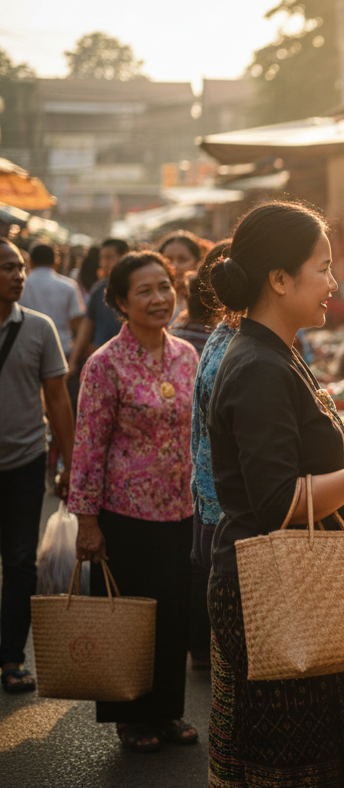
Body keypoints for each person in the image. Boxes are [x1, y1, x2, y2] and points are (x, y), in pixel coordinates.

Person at [207, 202, 344, 788]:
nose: (334, 284)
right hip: (273, 590)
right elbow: (279, 501)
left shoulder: (276, 351)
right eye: (324, 268)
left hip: (292, 582)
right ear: (279, 279)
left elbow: (297, 464)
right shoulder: (258, 365)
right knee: (292, 767)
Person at [70, 250, 199, 751]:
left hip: (180, 510)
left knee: (172, 615)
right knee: (129, 617)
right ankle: (131, 716)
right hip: (124, 514)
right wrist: (87, 521)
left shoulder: (186, 355)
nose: (159, 298)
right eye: (144, 291)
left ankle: (167, 711)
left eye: (164, 286)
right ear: (121, 302)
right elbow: (88, 447)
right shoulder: (105, 364)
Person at [0, 236, 75, 695]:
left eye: (20, 267)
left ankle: (11, 657)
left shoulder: (39, 328)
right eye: (7, 267)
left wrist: (70, 464)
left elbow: (58, 399)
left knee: (20, 560)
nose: (18, 275)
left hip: (25, 461)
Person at [183, 238, 233, 671]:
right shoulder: (240, 352)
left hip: (214, 513)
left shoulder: (226, 338)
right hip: (230, 524)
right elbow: (273, 484)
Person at [68, 237, 130, 378]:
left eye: (108, 257)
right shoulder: (99, 289)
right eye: (102, 258)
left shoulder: (134, 288)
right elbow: (86, 326)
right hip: (101, 360)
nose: (103, 263)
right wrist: (73, 362)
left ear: (125, 256)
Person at [19, 239, 85, 356]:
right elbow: (77, 324)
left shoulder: (20, 285)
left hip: (26, 347)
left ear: (30, 262)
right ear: (55, 263)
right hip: (61, 348)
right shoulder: (69, 286)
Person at [159, 231, 205, 324]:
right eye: (168, 260)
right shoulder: (155, 299)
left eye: (182, 260)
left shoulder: (205, 300)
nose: (174, 266)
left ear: (197, 263)